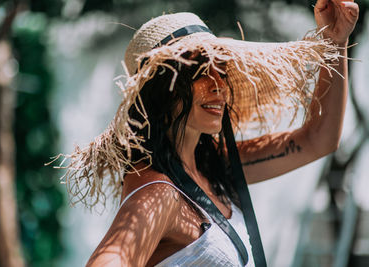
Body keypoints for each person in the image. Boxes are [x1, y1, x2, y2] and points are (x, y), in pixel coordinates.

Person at [57, 0, 358, 266]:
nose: (218, 84)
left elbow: (317, 140)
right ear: (162, 89)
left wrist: (336, 39)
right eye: (200, 71)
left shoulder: (215, 166)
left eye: (222, 69)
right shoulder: (158, 193)